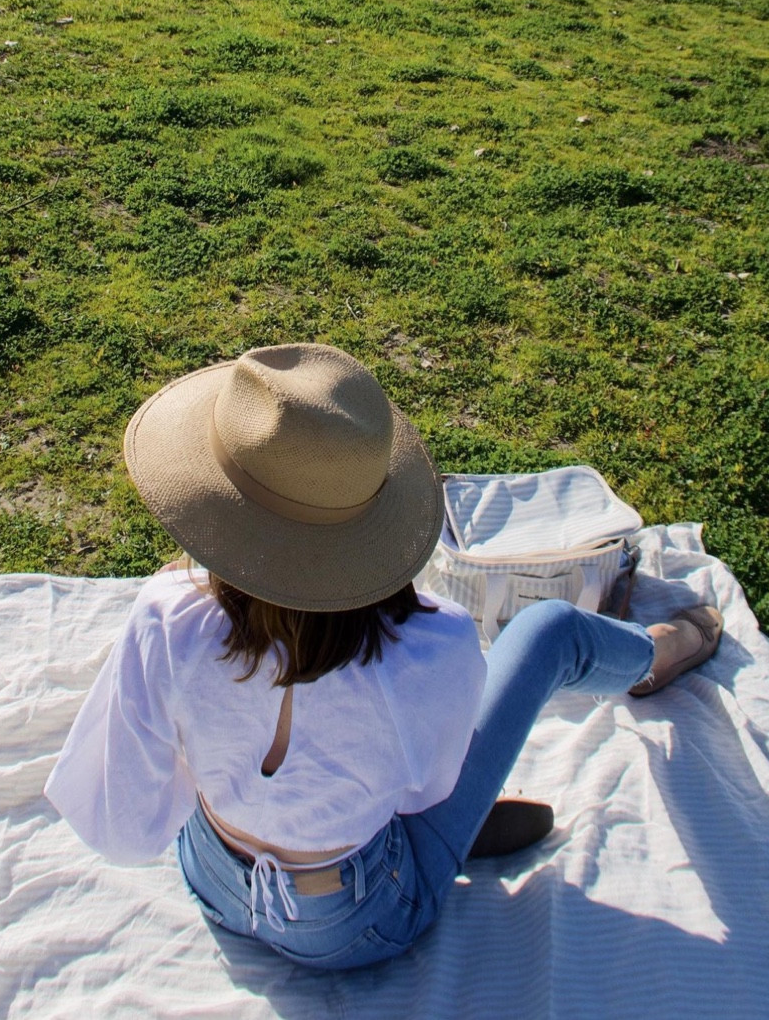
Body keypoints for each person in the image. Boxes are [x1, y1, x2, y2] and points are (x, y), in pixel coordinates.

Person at [45, 342, 723, 971]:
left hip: (218, 882)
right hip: (358, 921)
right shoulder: (432, 646)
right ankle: (659, 655)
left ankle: (409, 832)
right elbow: (424, 790)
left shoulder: (168, 615)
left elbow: (126, 823)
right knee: (548, 631)